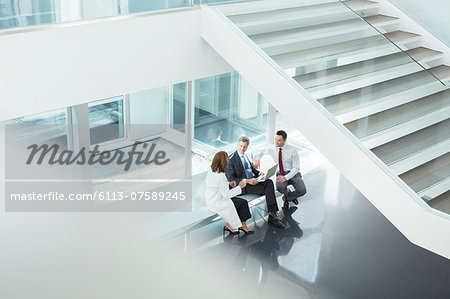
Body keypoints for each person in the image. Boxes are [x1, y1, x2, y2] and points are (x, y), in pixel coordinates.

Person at [226, 136, 285, 229]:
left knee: (269, 182)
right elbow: (231, 179)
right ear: (237, 145)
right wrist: (248, 181)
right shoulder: (231, 159)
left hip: (253, 180)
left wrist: (259, 173)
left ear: (247, 146)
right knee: (268, 185)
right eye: (241, 146)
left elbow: (251, 169)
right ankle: (273, 215)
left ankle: (272, 213)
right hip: (243, 186)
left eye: (245, 146)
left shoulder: (247, 155)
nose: (242, 149)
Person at [205, 151, 255, 235]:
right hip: (218, 202)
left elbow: (217, 186)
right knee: (243, 203)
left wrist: (228, 184)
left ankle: (230, 225)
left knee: (239, 202)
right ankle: (242, 225)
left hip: (211, 200)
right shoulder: (221, 177)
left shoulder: (211, 171)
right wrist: (240, 187)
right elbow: (226, 195)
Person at [254, 130, 306, 209]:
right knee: (280, 187)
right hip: (280, 173)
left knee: (302, 190)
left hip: (292, 173)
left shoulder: (292, 150)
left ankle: (287, 198)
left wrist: (286, 177)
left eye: (279, 140)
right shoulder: (272, 148)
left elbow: (296, 168)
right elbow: (261, 151)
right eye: (275, 139)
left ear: (284, 140)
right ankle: (288, 194)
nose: (276, 142)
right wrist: (257, 159)